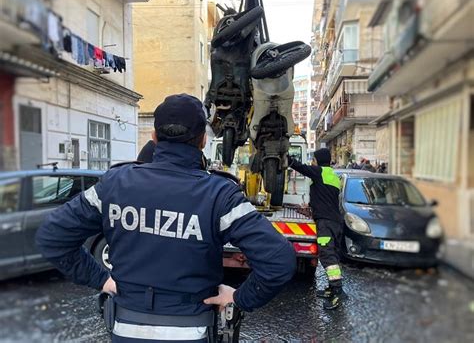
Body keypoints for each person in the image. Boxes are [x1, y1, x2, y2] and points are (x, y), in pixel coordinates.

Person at [36, 94, 296, 342]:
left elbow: (52, 237)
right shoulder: (219, 194)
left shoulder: (115, 184)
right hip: (192, 331)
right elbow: (279, 260)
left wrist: (101, 279)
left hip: (126, 329)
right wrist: (240, 298)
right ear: (203, 141)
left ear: (154, 137)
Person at [288, 148, 345, 310]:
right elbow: (326, 197)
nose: (313, 162)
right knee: (333, 254)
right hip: (335, 221)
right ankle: (332, 288)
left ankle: (336, 292)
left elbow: (301, 168)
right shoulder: (333, 175)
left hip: (326, 223)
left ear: (318, 160)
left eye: (314, 159)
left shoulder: (320, 172)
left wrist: (288, 159)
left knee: (327, 256)